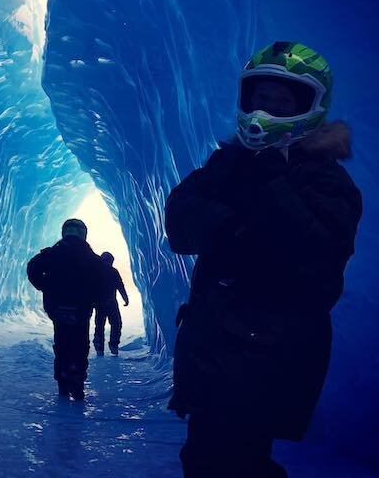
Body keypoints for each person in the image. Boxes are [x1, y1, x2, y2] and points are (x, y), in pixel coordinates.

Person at [164, 41, 362, 478]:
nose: (267, 110)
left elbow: (316, 259)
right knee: (214, 460)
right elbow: (180, 223)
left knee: (228, 463)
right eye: (261, 98)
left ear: (310, 106)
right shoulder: (229, 163)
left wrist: (265, 187)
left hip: (266, 361)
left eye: (282, 100)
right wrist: (236, 226)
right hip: (216, 354)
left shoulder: (325, 180)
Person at [27, 218, 106, 400]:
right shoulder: (90, 256)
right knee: (80, 345)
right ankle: (77, 381)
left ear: (65, 232)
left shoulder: (52, 253)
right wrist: (95, 299)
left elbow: (33, 268)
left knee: (61, 344)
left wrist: (46, 286)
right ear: (83, 233)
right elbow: (102, 279)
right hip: (81, 309)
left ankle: (62, 382)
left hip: (58, 308)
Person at [93, 252, 129, 356]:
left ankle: (99, 346)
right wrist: (125, 298)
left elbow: (89, 287)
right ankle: (113, 344)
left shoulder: (96, 271)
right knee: (116, 323)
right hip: (111, 302)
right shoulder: (113, 271)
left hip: (99, 303)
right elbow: (120, 286)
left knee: (99, 325)